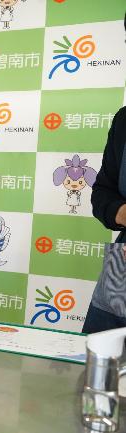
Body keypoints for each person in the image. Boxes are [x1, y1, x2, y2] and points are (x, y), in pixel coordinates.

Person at [81, 105, 126, 334]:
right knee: (100, 360)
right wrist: (121, 212)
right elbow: (102, 193)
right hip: (123, 273)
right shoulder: (124, 120)